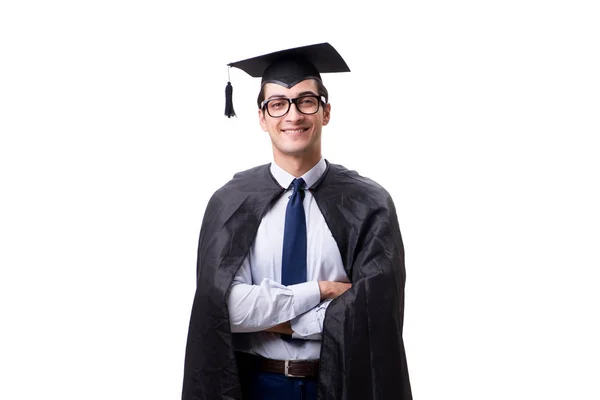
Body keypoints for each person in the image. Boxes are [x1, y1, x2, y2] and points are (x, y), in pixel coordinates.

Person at [182, 42, 412, 400]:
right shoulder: (230, 202)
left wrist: (274, 320)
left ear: (326, 112)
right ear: (262, 117)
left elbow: (371, 314)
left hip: (340, 384)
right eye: (278, 104)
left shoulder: (369, 204)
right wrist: (321, 292)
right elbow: (224, 310)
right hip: (255, 386)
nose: (292, 116)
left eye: (306, 101)